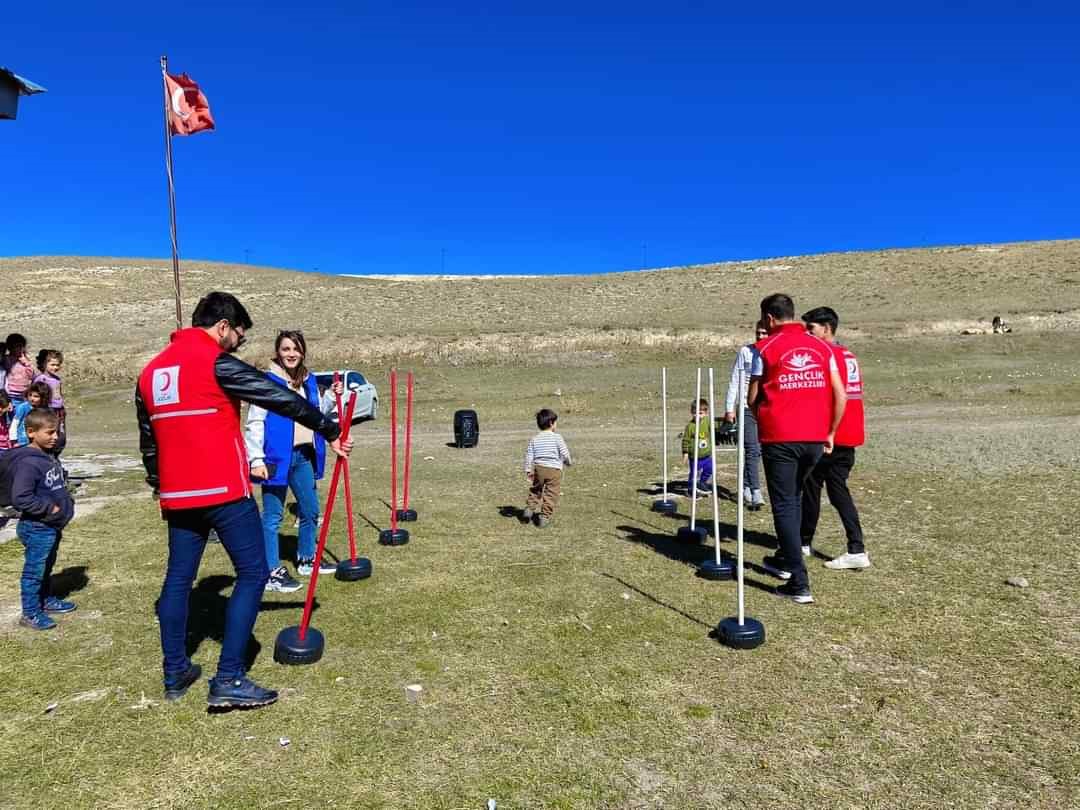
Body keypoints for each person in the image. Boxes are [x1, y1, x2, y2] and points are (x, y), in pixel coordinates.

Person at [136, 292, 352, 709]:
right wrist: (327, 427)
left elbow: (149, 443)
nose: (238, 342)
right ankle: (229, 677)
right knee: (253, 573)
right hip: (223, 491)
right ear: (222, 326)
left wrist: (160, 483)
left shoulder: (149, 373)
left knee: (178, 580)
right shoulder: (215, 362)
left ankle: (175, 671)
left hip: (178, 495)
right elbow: (278, 397)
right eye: (238, 334)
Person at [748, 293, 846, 605]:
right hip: (816, 439)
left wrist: (762, 417)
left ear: (769, 319)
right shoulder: (823, 347)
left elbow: (752, 397)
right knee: (796, 495)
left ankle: (798, 581)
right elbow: (839, 393)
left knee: (784, 505)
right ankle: (784, 556)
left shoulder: (764, 348)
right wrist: (830, 431)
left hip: (780, 439)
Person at [244, 330, 342, 593]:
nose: (291, 354)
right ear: (278, 352)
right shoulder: (268, 382)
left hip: (302, 456)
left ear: (302, 352)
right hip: (275, 458)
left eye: (295, 349)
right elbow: (255, 422)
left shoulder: (308, 381)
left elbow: (316, 413)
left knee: (310, 511)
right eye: (286, 349)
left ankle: (307, 559)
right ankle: (271, 571)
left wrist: (331, 396)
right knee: (273, 516)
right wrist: (256, 458)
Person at [800, 306, 869, 570]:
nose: (808, 334)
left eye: (811, 329)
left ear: (826, 328)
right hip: (849, 433)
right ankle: (810, 542)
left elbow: (829, 396)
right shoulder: (848, 354)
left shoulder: (825, 354)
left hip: (833, 433)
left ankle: (854, 547)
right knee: (825, 486)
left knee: (821, 488)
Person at [8, 408, 76, 630]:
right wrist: (50, 508)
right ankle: (30, 613)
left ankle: (45, 601)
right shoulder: (28, 463)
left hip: (51, 526)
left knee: (46, 567)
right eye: (49, 433)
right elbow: (21, 497)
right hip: (37, 527)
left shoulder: (47, 455)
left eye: (56, 432)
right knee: (34, 572)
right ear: (30, 432)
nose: (55, 437)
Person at [724, 322, 768, 510]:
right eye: (758, 333)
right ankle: (756, 491)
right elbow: (735, 379)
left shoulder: (774, 352)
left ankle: (745, 487)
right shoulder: (746, 352)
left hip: (766, 408)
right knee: (751, 448)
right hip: (746, 406)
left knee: (757, 450)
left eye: (764, 333)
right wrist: (729, 408)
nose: (760, 336)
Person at [522, 408, 572, 527]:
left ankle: (529, 509)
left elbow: (529, 454)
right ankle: (544, 517)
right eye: (555, 422)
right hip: (554, 470)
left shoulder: (535, 438)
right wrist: (568, 462)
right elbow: (564, 452)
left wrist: (528, 469)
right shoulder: (557, 437)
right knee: (551, 493)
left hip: (539, 468)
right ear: (551, 423)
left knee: (536, 490)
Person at [33, 350, 66, 455]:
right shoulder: (41, 379)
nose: (55, 367)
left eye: (58, 365)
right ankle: (48, 456)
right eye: (52, 365)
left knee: (61, 436)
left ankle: (55, 456)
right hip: (48, 410)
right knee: (49, 434)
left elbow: (59, 394)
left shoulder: (57, 379)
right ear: (44, 364)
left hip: (59, 411)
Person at [680, 398, 713, 498]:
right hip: (695, 457)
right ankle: (691, 489)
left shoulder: (708, 422)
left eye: (700, 413)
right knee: (694, 473)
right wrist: (685, 453)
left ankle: (701, 484)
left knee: (710, 469)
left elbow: (716, 425)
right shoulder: (690, 426)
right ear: (691, 412)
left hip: (707, 455)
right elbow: (685, 440)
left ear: (706, 413)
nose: (697, 416)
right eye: (695, 413)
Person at [9, 382, 51, 448]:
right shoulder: (23, 407)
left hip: (38, 442)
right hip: (22, 442)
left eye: (36, 396)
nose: (32, 398)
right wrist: (14, 440)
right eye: (30, 395)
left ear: (43, 398)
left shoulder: (45, 409)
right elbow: (15, 423)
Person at [4, 334, 34, 403]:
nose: (20, 349)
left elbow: (31, 375)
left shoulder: (25, 360)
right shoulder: (6, 359)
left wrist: (26, 363)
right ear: (10, 347)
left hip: (23, 392)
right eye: (17, 346)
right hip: (10, 392)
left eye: (22, 346)